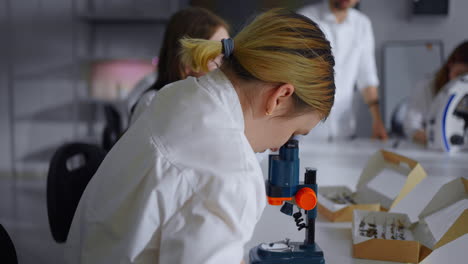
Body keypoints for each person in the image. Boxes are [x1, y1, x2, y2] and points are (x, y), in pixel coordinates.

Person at [64, 9, 335, 264]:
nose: (279, 146)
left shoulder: (177, 95)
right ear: (280, 97)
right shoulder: (231, 172)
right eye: (294, 133)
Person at [298, 0, 388, 140]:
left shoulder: (362, 24)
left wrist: (377, 121)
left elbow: (367, 75)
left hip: (344, 127)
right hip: (307, 127)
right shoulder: (306, 18)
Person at [130, 7, 230, 125]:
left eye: (228, 54)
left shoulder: (217, 103)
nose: (226, 65)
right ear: (186, 62)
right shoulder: (153, 103)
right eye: (215, 56)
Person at [404, 41, 468, 145]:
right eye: (460, 74)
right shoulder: (427, 88)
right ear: (450, 65)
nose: (462, 81)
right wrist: (434, 138)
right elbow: (411, 126)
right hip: (433, 149)